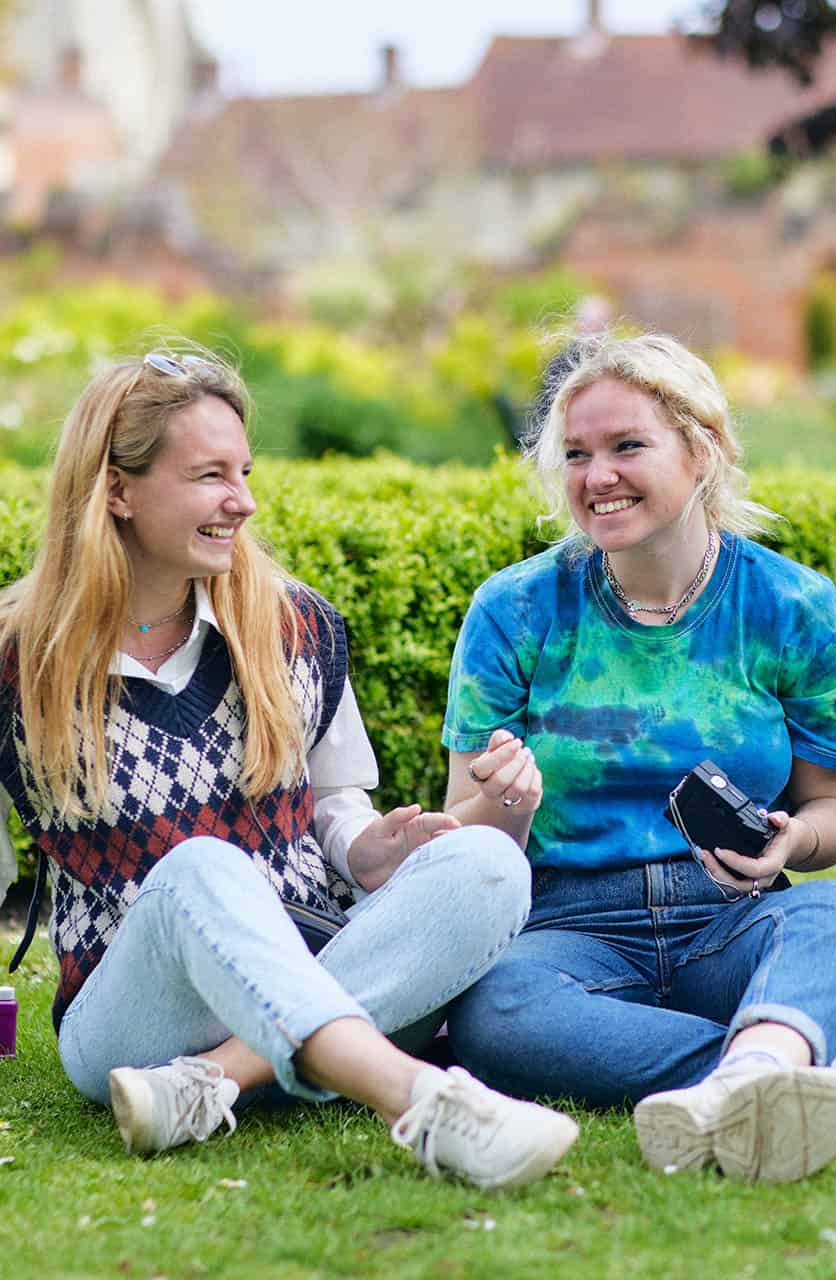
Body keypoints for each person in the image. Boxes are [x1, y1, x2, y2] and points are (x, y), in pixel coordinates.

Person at [0, 349, 578, 1189]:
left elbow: (333, 803)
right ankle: (417, 1097)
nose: (244, 501)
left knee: (488, 862)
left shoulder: (293, 624)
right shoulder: (17, 660)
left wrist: (366, 850)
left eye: (243, 471)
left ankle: (212, 1085)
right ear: (115, 491)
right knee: (200, 865)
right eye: (209, 476)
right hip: (133, 1015)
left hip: (316, 961)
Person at [438, 332, 836, 1184]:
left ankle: (756, 1069)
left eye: (626, 446)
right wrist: (509, 804)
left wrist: (791, 845)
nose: (597, 476)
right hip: (569, 924)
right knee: (496, 1010)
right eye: (576, 454)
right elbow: (468, 827)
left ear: (703, 450)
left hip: (729, 915)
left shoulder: (792, 606)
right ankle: (777, 1068)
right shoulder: (517, 610)